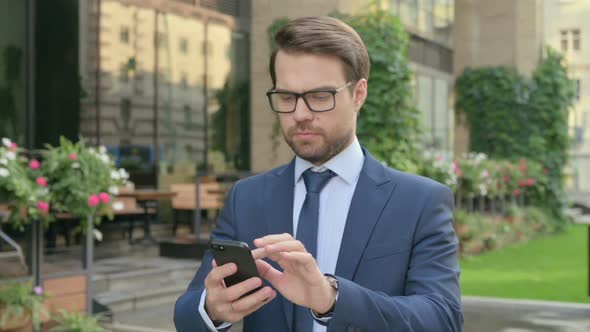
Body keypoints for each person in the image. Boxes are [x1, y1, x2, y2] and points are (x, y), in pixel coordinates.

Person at [174, 16, 462, 332]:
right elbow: (190, 312)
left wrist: (331, 298)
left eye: (319, 96)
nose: (300, 114)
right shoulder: (247, 197)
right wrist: (212, 309)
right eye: (286, 97)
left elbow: (442, 319)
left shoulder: (420, 201)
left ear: (358, 94)